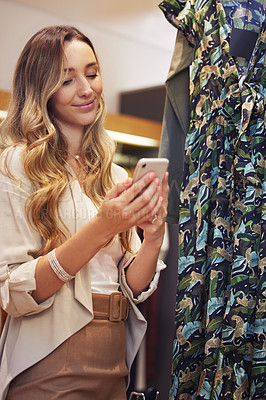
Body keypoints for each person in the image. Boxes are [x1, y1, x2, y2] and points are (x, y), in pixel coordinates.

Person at [0, 25, 168, 400]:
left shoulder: (113, 173)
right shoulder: (16, 166)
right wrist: (102, 226)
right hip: (49, 353)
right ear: (40, 90)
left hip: (115, 353)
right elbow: (12, 292)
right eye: (67, 80)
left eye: (92, 74)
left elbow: (132, 285)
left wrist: (153, 235)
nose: (87, 89)